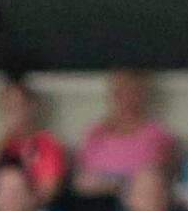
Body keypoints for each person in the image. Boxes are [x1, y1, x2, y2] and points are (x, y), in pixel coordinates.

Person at [72, 69, 179, 202]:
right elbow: (81, 177)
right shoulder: (94, 133)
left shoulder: (158, 134)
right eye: (120, 92)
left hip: (138, 199)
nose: (125, 98)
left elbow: (168, 175)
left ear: (142, 95)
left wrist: (124, 184)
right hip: (98, 200)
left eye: (131, 92)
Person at [0, 74, 69, 205]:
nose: (13, 113)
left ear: (31, 106)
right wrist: (4, 136)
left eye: (17, 105)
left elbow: (48, 191)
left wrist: (15, 204)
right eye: (8, 106)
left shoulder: (47, 144)